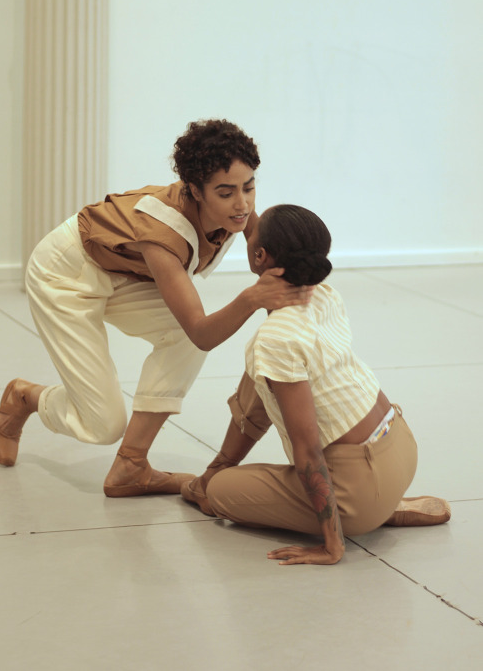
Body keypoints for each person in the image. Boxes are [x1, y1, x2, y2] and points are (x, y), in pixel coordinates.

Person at [0, 120, 312, 497]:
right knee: (102, 425)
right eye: (226, 193)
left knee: (182, 343)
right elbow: (201, 332)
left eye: (249, 187)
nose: (242, 204)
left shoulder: (238, 212)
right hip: (67, 273)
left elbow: (262, 251)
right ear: (195, 190)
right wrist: (252, 298)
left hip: (126, 273)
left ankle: (131, 465)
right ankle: (26, 396)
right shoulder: (164, 235)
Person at [181, 204, 451, 565]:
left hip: (357, 489)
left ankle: (371, 513)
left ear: (259, 255)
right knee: (261, 373)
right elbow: (267, 384)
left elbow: (308, 449)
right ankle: (386, 503)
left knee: (220, 493)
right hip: (400, 448)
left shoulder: (277, 338)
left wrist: (332, 545)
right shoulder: (322, 293)